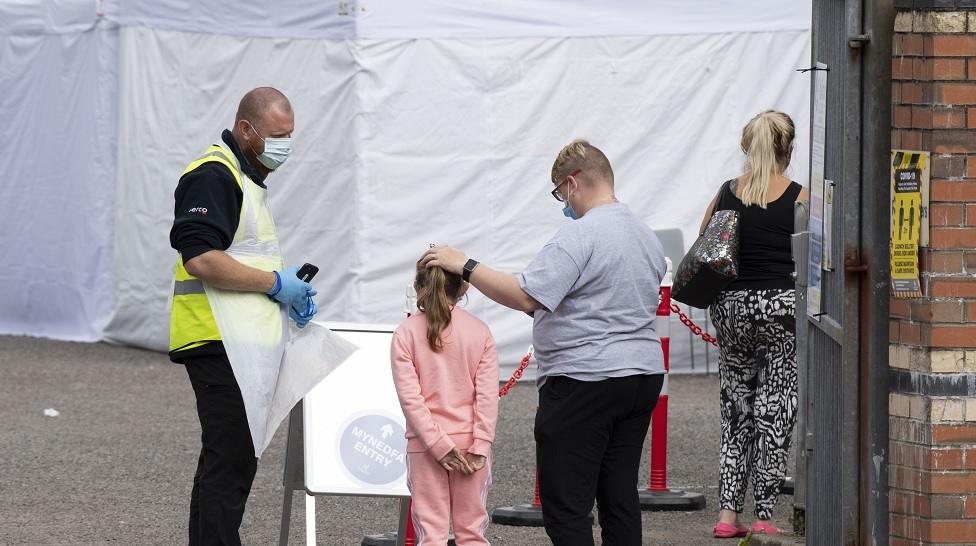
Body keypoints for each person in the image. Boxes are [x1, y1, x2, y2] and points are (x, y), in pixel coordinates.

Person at [423, 139, 667, 546]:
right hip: (640, 375)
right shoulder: (644, 234)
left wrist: (464, 264)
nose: (563, 203)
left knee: (567, 504)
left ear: (573, 183)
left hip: (585, 379)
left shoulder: (578, 235)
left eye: (559, 192)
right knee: (618, 496)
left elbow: (526, 295)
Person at [168, 87, 316, 546]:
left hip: (233, 339)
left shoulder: (244, 177)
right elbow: (201, 258)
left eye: (290, 135)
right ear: (246, 129)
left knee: (227, 460)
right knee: (230, 461)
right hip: (217, 338)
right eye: (277, 136)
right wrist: (275, 284)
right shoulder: (216, 175)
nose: (285, 145)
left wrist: (281, 287)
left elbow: (240, 255)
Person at [697, 110, 807, 538]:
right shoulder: (800, 196)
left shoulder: (727, 191)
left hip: (732, 307)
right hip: (780, 307)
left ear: (747, 148)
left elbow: (705, 244)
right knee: (775, 408)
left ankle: (727, 515)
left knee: (735, 408)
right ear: (789, 149)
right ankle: (763, 513)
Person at [391, 258, 499, 546]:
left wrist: (439, 446)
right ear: (464, 286)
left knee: (431, 535)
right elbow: (487, 397)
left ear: (417, 286)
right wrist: (481, 445)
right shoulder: (480, 331)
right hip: (471, 445)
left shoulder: (405, 333)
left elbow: (411, 400)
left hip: (425, 447)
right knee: (472, 534)